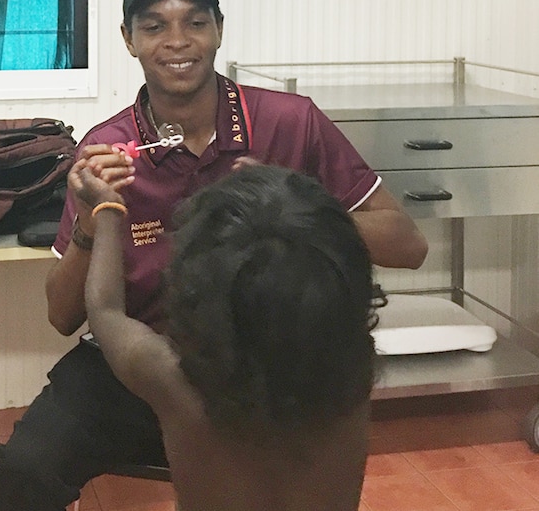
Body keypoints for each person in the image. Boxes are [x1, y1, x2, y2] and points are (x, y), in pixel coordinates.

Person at [0, 0, 428, 510]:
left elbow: (408, 245)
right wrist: (96, 220)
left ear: (219, 29)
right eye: (155, 26)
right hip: (142, 369)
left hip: (269, 369)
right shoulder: (105, 148)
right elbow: (63, 316)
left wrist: (296, 204)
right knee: (24, 472)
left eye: (195, 22)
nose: (177, 41)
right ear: (128, 39)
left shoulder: (290, 122)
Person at [76, 162, 381, 511]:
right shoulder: (353, 378)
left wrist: (108, 209)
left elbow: (104, 309)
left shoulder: (174, 384)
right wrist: (276, 189)